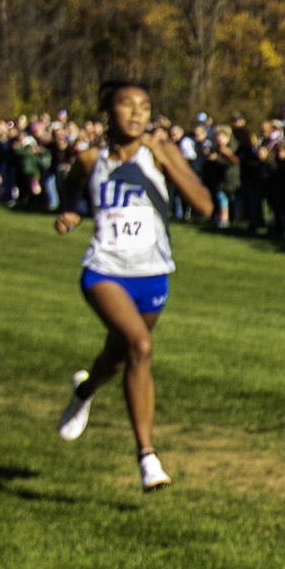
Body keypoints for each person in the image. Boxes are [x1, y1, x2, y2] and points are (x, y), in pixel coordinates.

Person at [52, 78, 213, 491]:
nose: (138, 112)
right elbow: (69, 185)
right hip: (103, 271)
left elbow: (205, 206)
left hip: (152, 274)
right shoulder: (90, 159)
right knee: (141, 347)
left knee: (120, 357)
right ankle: (147, 458)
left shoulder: (161, 153)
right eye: (127, 105)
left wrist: (168, 158)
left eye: (145, 105)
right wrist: (70, 212)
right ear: (108, 113)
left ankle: (84, 391)